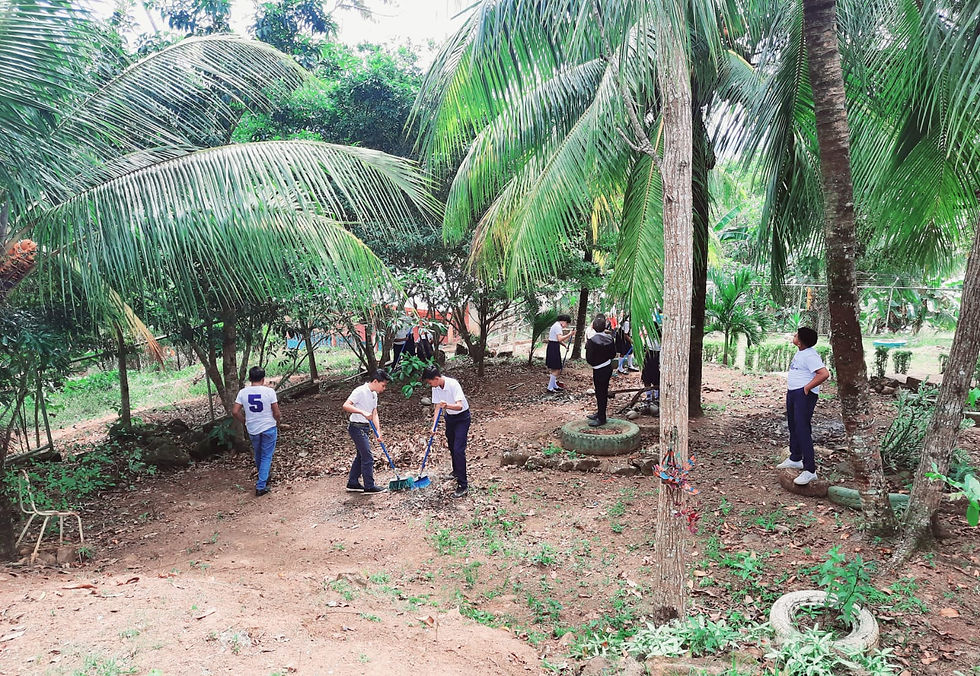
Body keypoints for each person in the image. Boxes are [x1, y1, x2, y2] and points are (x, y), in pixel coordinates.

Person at [777, 327, 830, 485]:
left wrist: (807, 388)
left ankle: (810, 470)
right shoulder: (801, 352)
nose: (794, 336)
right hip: (794, 392)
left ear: (800, 341)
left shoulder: (810, 355)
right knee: (793, 425)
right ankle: (795, 458)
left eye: (796, 335)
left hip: (804, 395)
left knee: (802, 429)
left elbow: (824, 374)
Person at [421, 365, 470, 497]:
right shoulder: (436, 388)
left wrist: (447, 405)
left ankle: (463, 485)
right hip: (450, 418)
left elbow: (459, 406)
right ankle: (456, 471)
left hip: (462, 418)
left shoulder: (453, 384)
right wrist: (434, 426)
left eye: (430, 382)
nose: (430, 385)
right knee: (452, 446)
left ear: (436, 378)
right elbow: (438, 407)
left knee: (459, 449)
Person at [232, 366, 281, 497]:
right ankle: (261, 485)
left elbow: (235, 411)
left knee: (258, 454)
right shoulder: (269, 392)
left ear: (250, 378)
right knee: (266, 456)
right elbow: (276, 412)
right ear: (263, 379)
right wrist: (278, 421)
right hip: (268, 427)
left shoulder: (243, 393)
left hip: (252, 428)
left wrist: (245, 421)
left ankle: (263, 476)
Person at [342, 369, 391, 494]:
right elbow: (346, 405)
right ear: (375, 381)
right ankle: (369, 486)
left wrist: (378, 432)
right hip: (356, 427)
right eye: (383, 385)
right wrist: (362, 412)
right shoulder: (360, 391)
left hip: (365, 428)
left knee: (361, 456)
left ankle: (352, 483)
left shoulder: (374, 394)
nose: (384, 388)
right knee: (367, 456)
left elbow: (374, 413)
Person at [585, 316, 617, 427]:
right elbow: (613, 354)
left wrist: (595, 362)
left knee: (600, 393)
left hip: (598, 369)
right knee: (602, 392)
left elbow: (589, 358)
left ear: (593, 327)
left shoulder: (591, 340)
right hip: (607, 367)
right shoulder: (609, 339)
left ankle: (601, 418)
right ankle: (599, 413)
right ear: (605, 327)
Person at [545, 314, 575, 392]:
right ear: (564, 321)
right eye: (567, 324)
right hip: (553, 348)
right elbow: (560, 339)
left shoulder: (556, 325)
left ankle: (554, 385)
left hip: (553, 346)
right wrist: (570, 334)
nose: (566, 326)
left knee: (554, 368)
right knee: (557, 369)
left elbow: (556, 339)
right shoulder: (558, 327)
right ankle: (550, 387)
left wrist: (565, 346)